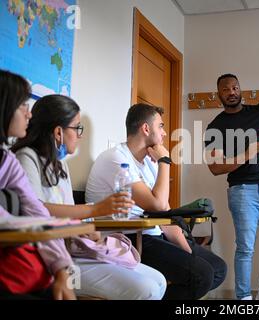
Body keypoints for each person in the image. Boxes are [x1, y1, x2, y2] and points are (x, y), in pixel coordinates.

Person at [11, 94, 167, 300]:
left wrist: (87, 229)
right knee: (147, 289)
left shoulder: (60, 165)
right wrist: (96, 210)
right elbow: (36, 210)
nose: (80, 135)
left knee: (159, 281)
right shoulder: (26, 157)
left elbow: (67, 213)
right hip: (51, 257)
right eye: (77, 128)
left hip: (71, 248)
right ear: (58, 132)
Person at [85, 103, 227, 300]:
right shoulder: (116, 158)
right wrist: (165, 161)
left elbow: (165, 212)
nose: (165, 133)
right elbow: (157, 205)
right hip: (130, 238)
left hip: (154, 234)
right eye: (160, 126)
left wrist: (187, 248)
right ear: (145, 128)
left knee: (218, 269)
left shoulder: (147, 163)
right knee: (202, 275)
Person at [204, 74, 259, 300]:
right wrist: (246, 154)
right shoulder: (216, 126)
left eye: (235, 87)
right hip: (242, 190)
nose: (231, 92)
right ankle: (242, 298)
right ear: (218, 95)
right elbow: (215, 167)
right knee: (246, 248)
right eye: (226, 89)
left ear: (241, 89)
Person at [0, 70, 75, 300]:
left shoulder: (8, 160)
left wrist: (63, 269)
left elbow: (37, 210)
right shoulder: (25, 157)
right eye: (22, 106)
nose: (28, 115)